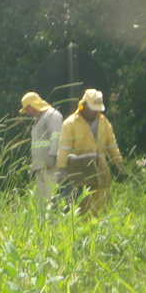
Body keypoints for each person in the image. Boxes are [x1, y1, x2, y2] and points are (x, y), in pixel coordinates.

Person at [56, 88, 126, 216]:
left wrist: (119, 164)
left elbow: (112, 145)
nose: (94, 111)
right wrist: (62, 169)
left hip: (101, 173)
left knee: (103, 207)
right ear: (83, 105)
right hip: (80, 174)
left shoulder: (104, 122)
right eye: (91, 107)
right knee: (82, 208)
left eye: (96, 108)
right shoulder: (70, 123)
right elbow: (64, 149)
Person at [20, 92, 63, 205]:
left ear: (31, 105)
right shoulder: (39, 119)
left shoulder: (52, 115)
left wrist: (52, 155)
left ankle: (55, 222)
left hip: (51, 166)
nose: (27, 113)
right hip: (40, 167)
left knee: (52, 199)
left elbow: (57, 136)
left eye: (27, 109)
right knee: (41, 203)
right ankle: (45, 222)